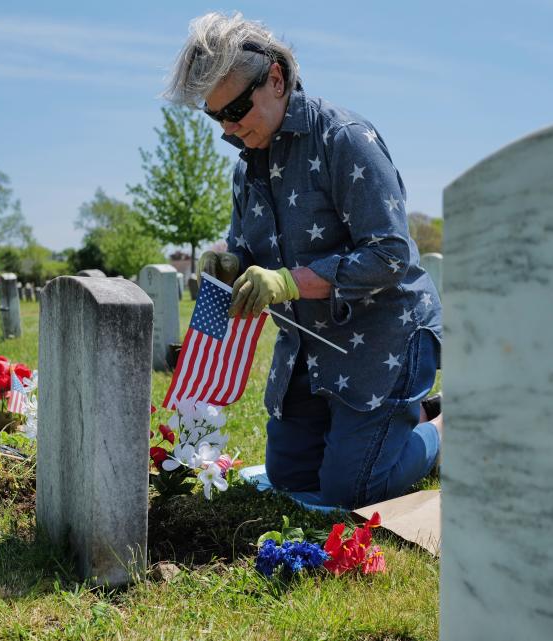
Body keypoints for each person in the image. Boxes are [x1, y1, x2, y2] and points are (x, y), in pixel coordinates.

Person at [163, 12, 443, 510]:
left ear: (275, 79)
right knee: (288, 477)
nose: (228, 128)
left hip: (384, 341)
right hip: (310, 350)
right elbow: (247, 250)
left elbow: (391, 255)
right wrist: (228, 264)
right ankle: (392, 427)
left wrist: (290, 282)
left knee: (350, 491)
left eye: (236, 109)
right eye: (215, 116)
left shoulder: (345, 139)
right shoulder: (247, 164)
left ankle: (438, 428)